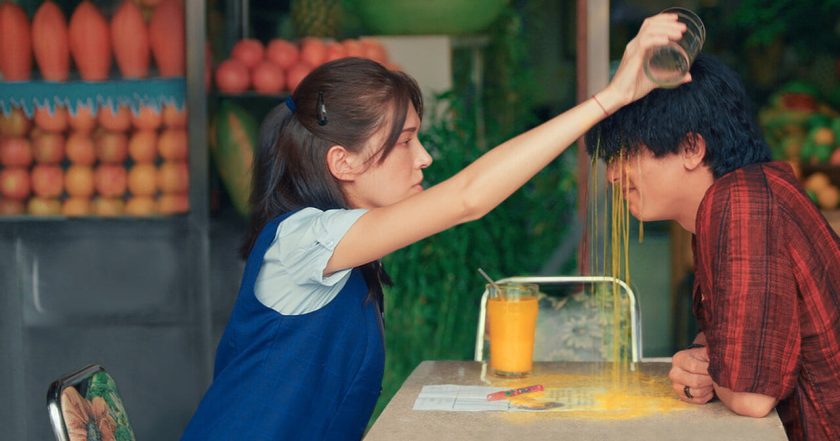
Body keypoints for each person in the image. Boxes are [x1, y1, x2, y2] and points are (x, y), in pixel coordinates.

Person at [180, 14, 688, 441]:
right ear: (343, 162)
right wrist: (612, 97)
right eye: (404, 142)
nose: (424, 157)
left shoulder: (343, 246)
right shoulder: (303, 241)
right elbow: (468, 198)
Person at [585, 54, 840, 440]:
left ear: (691, 147)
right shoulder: (730, 201)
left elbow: (750, 395)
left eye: (625, 154)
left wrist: (715, 367)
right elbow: (725, 343)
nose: (612, 174)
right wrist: (704, 359)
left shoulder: (742, 203)